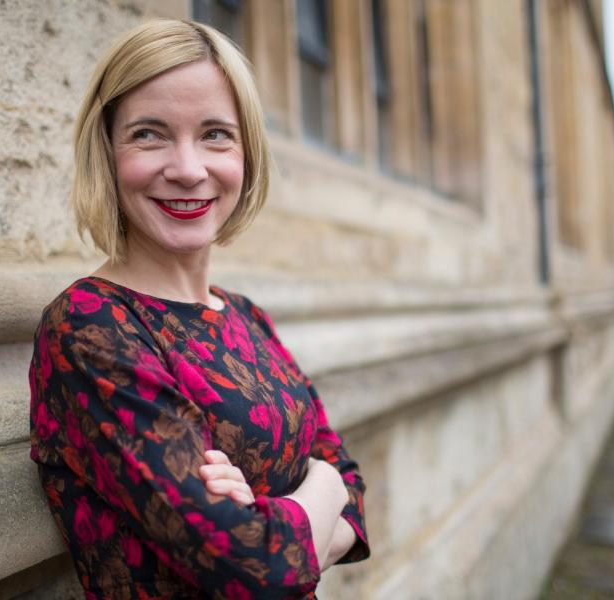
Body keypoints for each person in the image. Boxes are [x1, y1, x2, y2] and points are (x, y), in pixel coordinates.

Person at [29, 19, 369, 599]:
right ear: (106, 152)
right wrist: (319, 492)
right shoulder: (91, 327)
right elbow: (254, 568)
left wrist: (315, 489)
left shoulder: (245, 317)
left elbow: (353, 489)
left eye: (215, 134)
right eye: (149, 134)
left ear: (247, 153)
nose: (188, 169)